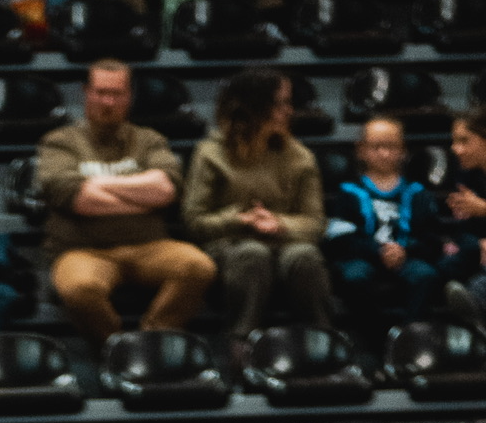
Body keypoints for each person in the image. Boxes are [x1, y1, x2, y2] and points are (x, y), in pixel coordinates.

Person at [35, 58, 216, 349]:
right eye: (101, 92)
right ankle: (116, 349)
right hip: (83, 251)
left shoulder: (149, 140)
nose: (108, 101)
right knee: (79, 288)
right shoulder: (60, 142)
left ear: (129, 96)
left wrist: (97, 184)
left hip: (149, 247)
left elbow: (165, 190)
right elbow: (76, 198)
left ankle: (150, 341)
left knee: (199, 266)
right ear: (86, 92)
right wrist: (140, 199)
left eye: (117, 93)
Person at [182, 68, 331, 364]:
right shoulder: (211, 154)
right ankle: (241, 343)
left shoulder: (299, 157)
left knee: (304, 257)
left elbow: (315, 222)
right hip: (230, 245)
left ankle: (323, 342)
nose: (289, 111)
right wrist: (239, 220)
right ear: (256, 107)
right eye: (281, 103)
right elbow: (195, 221)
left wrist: (280, 224)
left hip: (284, 243)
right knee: (252, 254)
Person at [325, 115, 449, 337]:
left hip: (408, 256)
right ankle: (376, 336)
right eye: (376, 147)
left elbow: (431, 238)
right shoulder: (348, 193)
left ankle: (409, 335)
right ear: (361, 150)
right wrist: (378, 251)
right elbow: (341, 239)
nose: (384, 153)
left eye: (391, 146)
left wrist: (405, 250)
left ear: (403, 150)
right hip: (362, 257)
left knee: (426, 275)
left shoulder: (418, 193)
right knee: (353, 277)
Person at [441, 106, 486, 327]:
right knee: (448, 264)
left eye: (464, 141)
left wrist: (483, 208)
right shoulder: (467, 175)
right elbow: (467, 227)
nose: (455, 148)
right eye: (454, 141)